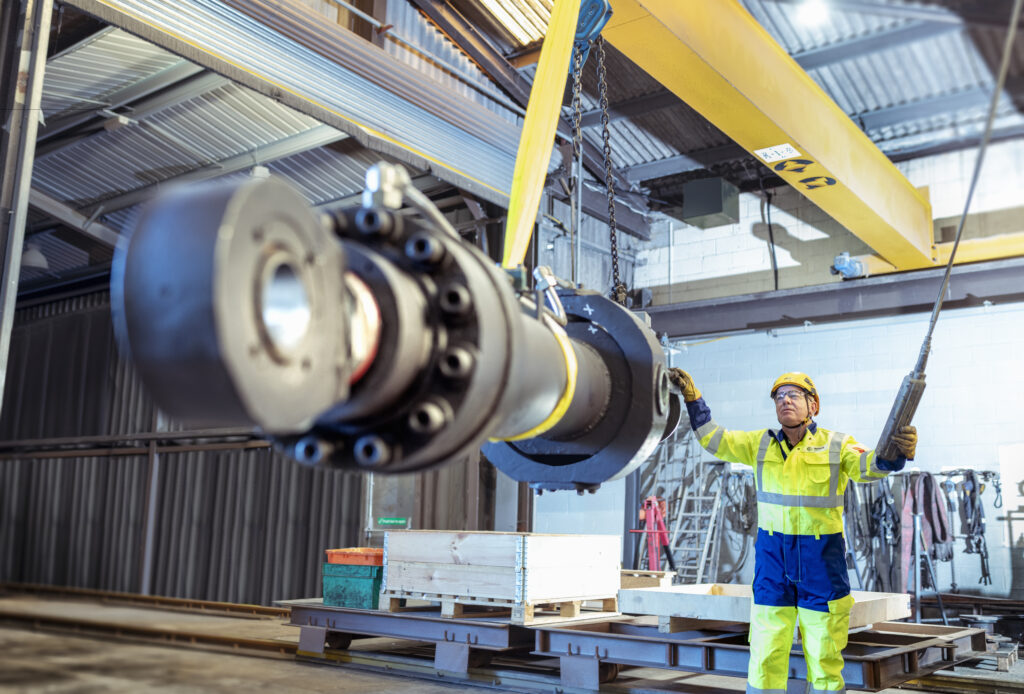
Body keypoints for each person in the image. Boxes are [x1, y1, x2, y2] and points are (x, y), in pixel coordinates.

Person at [669, 369, 916, 694]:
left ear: (813, 405)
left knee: (824, 655)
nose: (785, 401)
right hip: (774, 564)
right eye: (779, 396)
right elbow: (713, 439)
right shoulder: (759, 444)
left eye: (794, 395)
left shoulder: (837, 444)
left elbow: (868, 467)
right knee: (766, 653)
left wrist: (894, 456)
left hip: (822, 566)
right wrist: (692, 398)